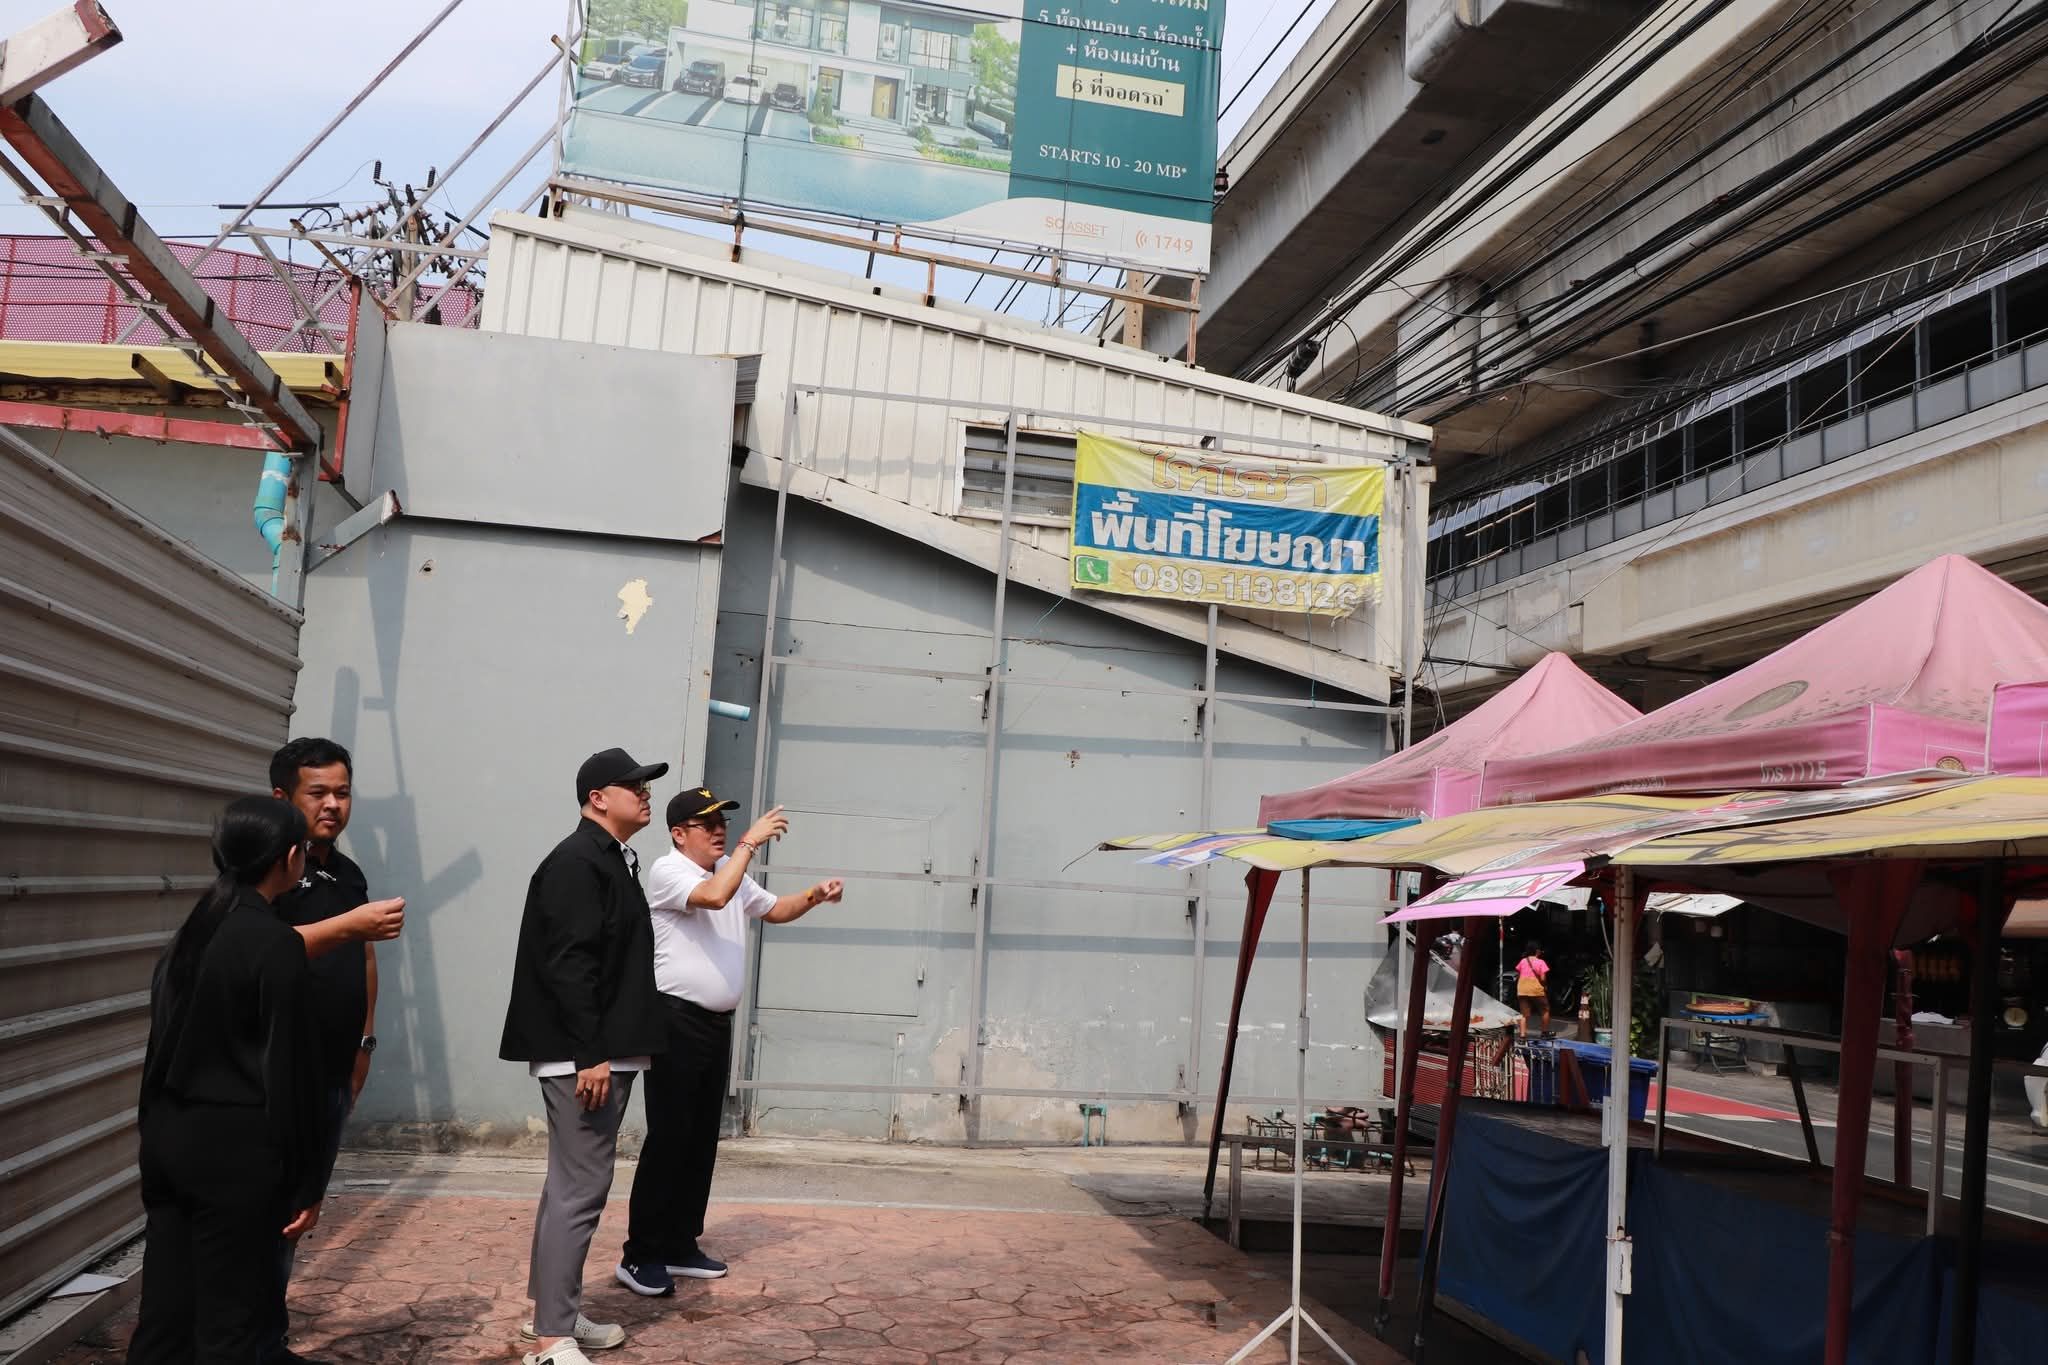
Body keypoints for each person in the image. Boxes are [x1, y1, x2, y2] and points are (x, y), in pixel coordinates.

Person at [617, 788, 842, 1296]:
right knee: (669, 1137)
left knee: (700, 1139)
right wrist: (748, 844)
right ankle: (640, 1254)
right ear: (679, 834)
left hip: (715, 1025)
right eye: (707, 823)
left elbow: (774, 909)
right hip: (675, 1022)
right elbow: (715, 897)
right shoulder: (669, 871)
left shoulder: (728, 872)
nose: (719, 830)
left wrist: (814, 895)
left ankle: (679, 1243)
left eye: (723, 822)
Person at [129, 797, 327, 1364]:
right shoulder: (276, 943)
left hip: (170, 1138)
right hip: (236, 1152)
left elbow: (157, 1049)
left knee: (165, 1319)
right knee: (231, 1325)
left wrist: (152, 1137)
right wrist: (306, 1182)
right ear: (290, 857)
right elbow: (290, 1072)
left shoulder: (191, 933)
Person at [499, 748, 671, 1365]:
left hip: (597, 1050)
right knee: (581, 1190)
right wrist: (590, 1055)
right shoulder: (577, 862)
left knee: (567, 1188)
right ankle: (552, 1339)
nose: (645, 794)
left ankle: (553, 1313)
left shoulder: (609, 859)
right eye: (634, 786)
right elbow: (570, 964)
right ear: (598, 798)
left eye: (646, 786)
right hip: (587, 1056)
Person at [266, 738, 406, 1362]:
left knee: (301, 1209)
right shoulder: (268, 875)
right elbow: (256, 950)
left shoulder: (348, 875)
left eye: (342, 793)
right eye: (317, 793)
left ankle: (268, 1338)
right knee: (269, 1207)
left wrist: (365, 1042)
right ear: (282, 798)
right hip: (278, 1071)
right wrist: (350, 926)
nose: (332, 805)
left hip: (334, 1065)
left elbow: (364, 956)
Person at [1516, 941, 1552, 1037]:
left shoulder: (1523, 961)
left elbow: (1519, 974)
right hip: (1536, 989)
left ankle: (1522, 1035)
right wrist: (1545, 985)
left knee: (1524, 1014)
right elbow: (1543, 978)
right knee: (1545, 1010)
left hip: (1522, 989)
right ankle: (1544, 1032)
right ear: (1537, 951)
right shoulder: (1541, 962)